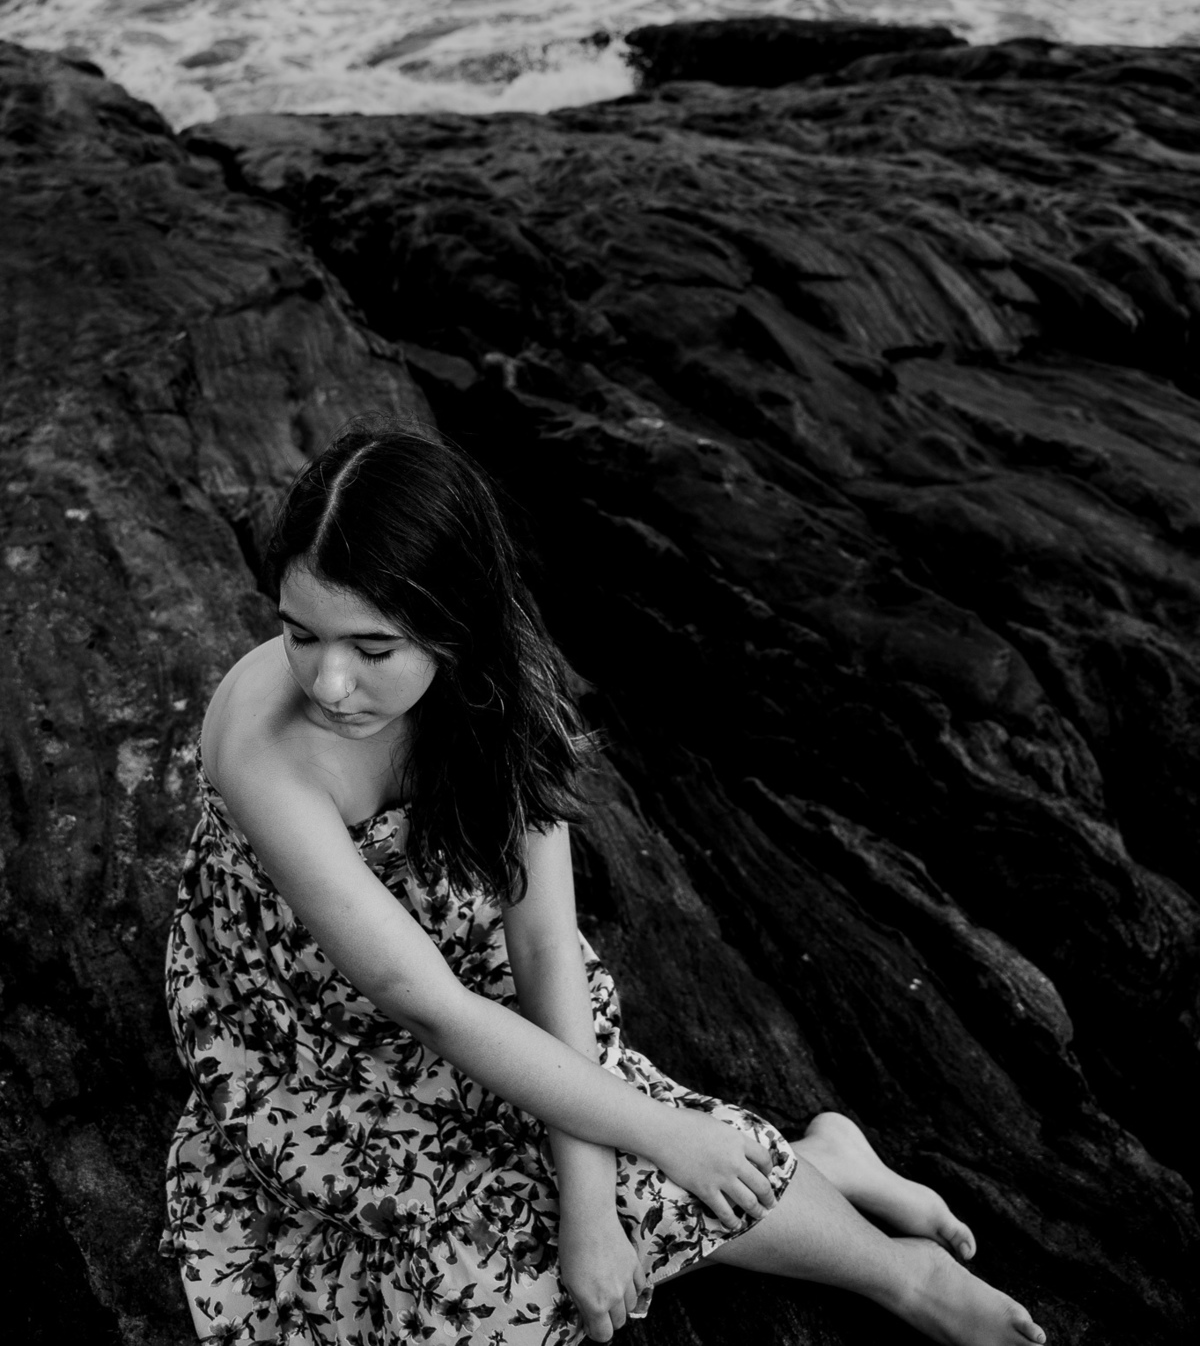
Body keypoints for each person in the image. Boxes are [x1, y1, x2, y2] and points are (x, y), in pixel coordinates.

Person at [161, 421, 1046, 1346]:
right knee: (481, 1309)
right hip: (313, 1023)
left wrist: (592, 1200)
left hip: (467, 971)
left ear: (455, 624)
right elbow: (417, 1003)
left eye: (375, 647)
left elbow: (542, 946)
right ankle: (817, 1159)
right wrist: (659, 1138)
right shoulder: (268, 746)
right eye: (301, 632)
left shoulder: (504, 697)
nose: (332, 681)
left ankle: (904, 1277)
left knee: (602, 1192)